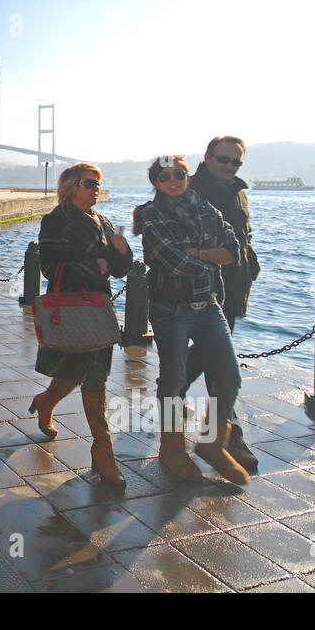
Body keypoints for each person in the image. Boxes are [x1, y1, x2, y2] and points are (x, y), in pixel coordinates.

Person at [133, 156, 248, 485]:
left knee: (229, 375)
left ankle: (212, 444)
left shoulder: (206, 208)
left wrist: (197, 252)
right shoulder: (152, 215)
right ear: (155, 181)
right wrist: (208, 256)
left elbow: (233, 250)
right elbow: (173, 263)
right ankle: (171, 448)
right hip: (171, 308)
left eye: (179, 174)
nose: (173, 179)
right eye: (164, 175)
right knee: (173, 381)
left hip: (209, 304)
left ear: (186, 176)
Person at [28, 163, 133, 488]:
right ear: (72, 186)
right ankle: (103, 449)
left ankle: (49, 405)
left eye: (98, 183)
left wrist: (121, 252)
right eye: (90, 182)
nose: (96, 188)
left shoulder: (103, 222)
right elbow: (50, 267)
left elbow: (118, 271)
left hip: (98, 310)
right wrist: (95, 265)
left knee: (88, 377)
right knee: (84, 376)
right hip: (71, 309)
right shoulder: (56, 220)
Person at [186, 136, 261, 471]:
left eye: (236, 162)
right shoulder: (189, 190)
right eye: (223, 159)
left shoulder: (237, 190)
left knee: (201, 359)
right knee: (224, 366)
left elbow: (243, 235)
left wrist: (251, 264)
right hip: (202, 290)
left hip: (234, 286)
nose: (229, 167)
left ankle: (170, 393)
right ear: (208, 156)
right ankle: (227, 435)